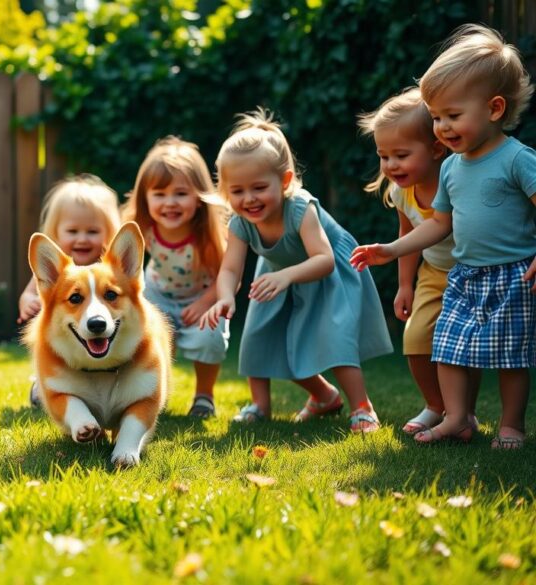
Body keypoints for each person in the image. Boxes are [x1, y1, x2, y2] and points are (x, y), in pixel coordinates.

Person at [351, 25, 536, 448]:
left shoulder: (517, 159)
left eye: (452, 115)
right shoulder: (452, 166)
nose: (441, 127)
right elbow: (437, 224)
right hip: (465, 275)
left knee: (511, 359)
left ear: (493, 108)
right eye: (436, 117)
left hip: (512, 274)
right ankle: (455, 416)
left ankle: (511, 425)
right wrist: (391, 250)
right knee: (448, 349)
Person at [200, 109, 392, 432]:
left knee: (334, 340)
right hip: (275, 275)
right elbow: (230, 269)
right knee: (262, 339)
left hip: (325, 274)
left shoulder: (300, 208)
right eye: (237, 191)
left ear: (285, 180)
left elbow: (324, 259)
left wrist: (285, 276)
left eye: (259, 187)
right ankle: (297, 400)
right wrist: (224, 299)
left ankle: (362, 406)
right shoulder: (240, 222)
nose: (249, 199)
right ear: (225, 191)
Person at [358, 87, 481, 435]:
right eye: (383, 156)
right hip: (434, 273)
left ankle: (465, 414)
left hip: (471, 273)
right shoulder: (401, 190)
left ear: (436, 148)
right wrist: (404, 285)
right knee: (415, 339)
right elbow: (406, 236)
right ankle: (435, 405)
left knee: (463, 346)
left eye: (400, 154)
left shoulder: (457, 181)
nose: (390, 165)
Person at [121, 137, 229, 418]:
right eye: (159, 194)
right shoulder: (142, 228)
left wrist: (206, 302)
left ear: (199, 196)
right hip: (157, 295)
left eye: (181, 193)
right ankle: (146, 391)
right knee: (139, 340)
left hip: (201, 297)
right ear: (145, 197)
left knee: (210, 339)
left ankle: (204, 396)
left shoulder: (207, 235)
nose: (170, 203)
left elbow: (230, 276)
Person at [18, 174, 122, 406]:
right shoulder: (56, 273)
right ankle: (45, 381)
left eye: (92, 232)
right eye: (73, 231)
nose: (82, 239)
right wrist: (27, 302)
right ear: (56, 234)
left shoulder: (111, 273)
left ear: (110, 233)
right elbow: (30, 291)